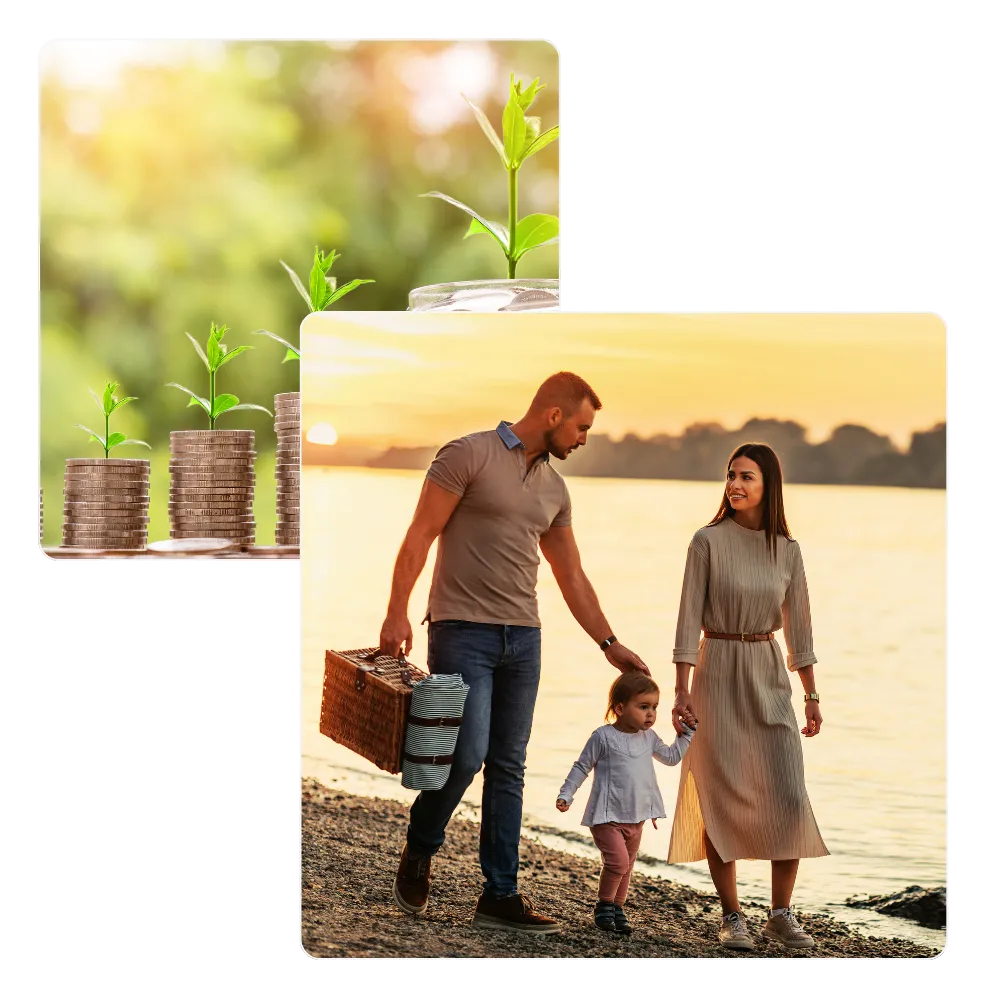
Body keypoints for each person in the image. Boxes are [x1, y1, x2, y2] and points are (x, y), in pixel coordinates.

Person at [381, 372, 651, 935]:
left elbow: (570, 575)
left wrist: (609, 643)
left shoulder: (555, 490)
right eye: (582, 426)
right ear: (553, 415)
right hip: (461, 631)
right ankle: (420, 845)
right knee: (465, 754)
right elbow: (419, 534)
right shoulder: (467, 455)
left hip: (523, 638)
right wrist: (396, 611)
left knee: (509, 764)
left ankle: (499, 895)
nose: (584, 438)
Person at [668, 442, 828, 952]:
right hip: (716, 670)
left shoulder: (788, 550)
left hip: (767, 672)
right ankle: (732, 915)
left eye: (747, 477)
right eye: (731, 475)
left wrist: (811, 695)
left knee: (786, 791)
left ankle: (779, 914)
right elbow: (687, 619)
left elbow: (800, 631)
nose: (735, 484)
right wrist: (681, 689)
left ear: (768, 486)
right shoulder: (706, 541)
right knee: (720, 793)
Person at [556, 672, 696, 935]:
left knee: (627, 866)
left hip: (637, 818)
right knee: (618, 863)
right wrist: (567, 793)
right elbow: (581, 767)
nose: (651, 714)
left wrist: (686, 734)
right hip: (607, 817)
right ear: (620, 708)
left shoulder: (649, 737)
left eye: (654, 707)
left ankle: (617, 909)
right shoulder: (603, 737)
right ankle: (604, 905)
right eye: (643, 707)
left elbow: (671, 758)